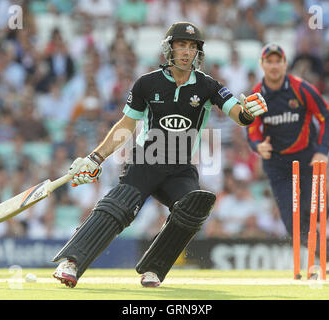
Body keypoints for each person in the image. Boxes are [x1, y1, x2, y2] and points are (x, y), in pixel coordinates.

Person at [51, 22, 268, 288]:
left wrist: (249, 111)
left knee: (193, 207)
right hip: (146, 161)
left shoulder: (208, 86)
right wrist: (96, 158)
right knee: (120, 206)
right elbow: (126, 125)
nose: (187, 52)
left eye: (192, 47)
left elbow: (239, 114)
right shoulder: (147, 83)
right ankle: (71, 262)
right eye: (181, 45)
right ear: (169, 48)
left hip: (180, 167)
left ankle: (153, 269)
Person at [246, 43, 329, 274]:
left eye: (277, 61)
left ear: (284, 63)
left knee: (317, 211)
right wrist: (258, 146)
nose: (273, 66)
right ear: (262, 64)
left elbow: (326, 117)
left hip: (308, 159)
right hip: (277, 165)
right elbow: (251, 129)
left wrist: (322, 150)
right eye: (268, 61)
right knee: (293, 223)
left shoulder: (302, 88)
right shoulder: (255, 95)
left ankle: (328, 256)